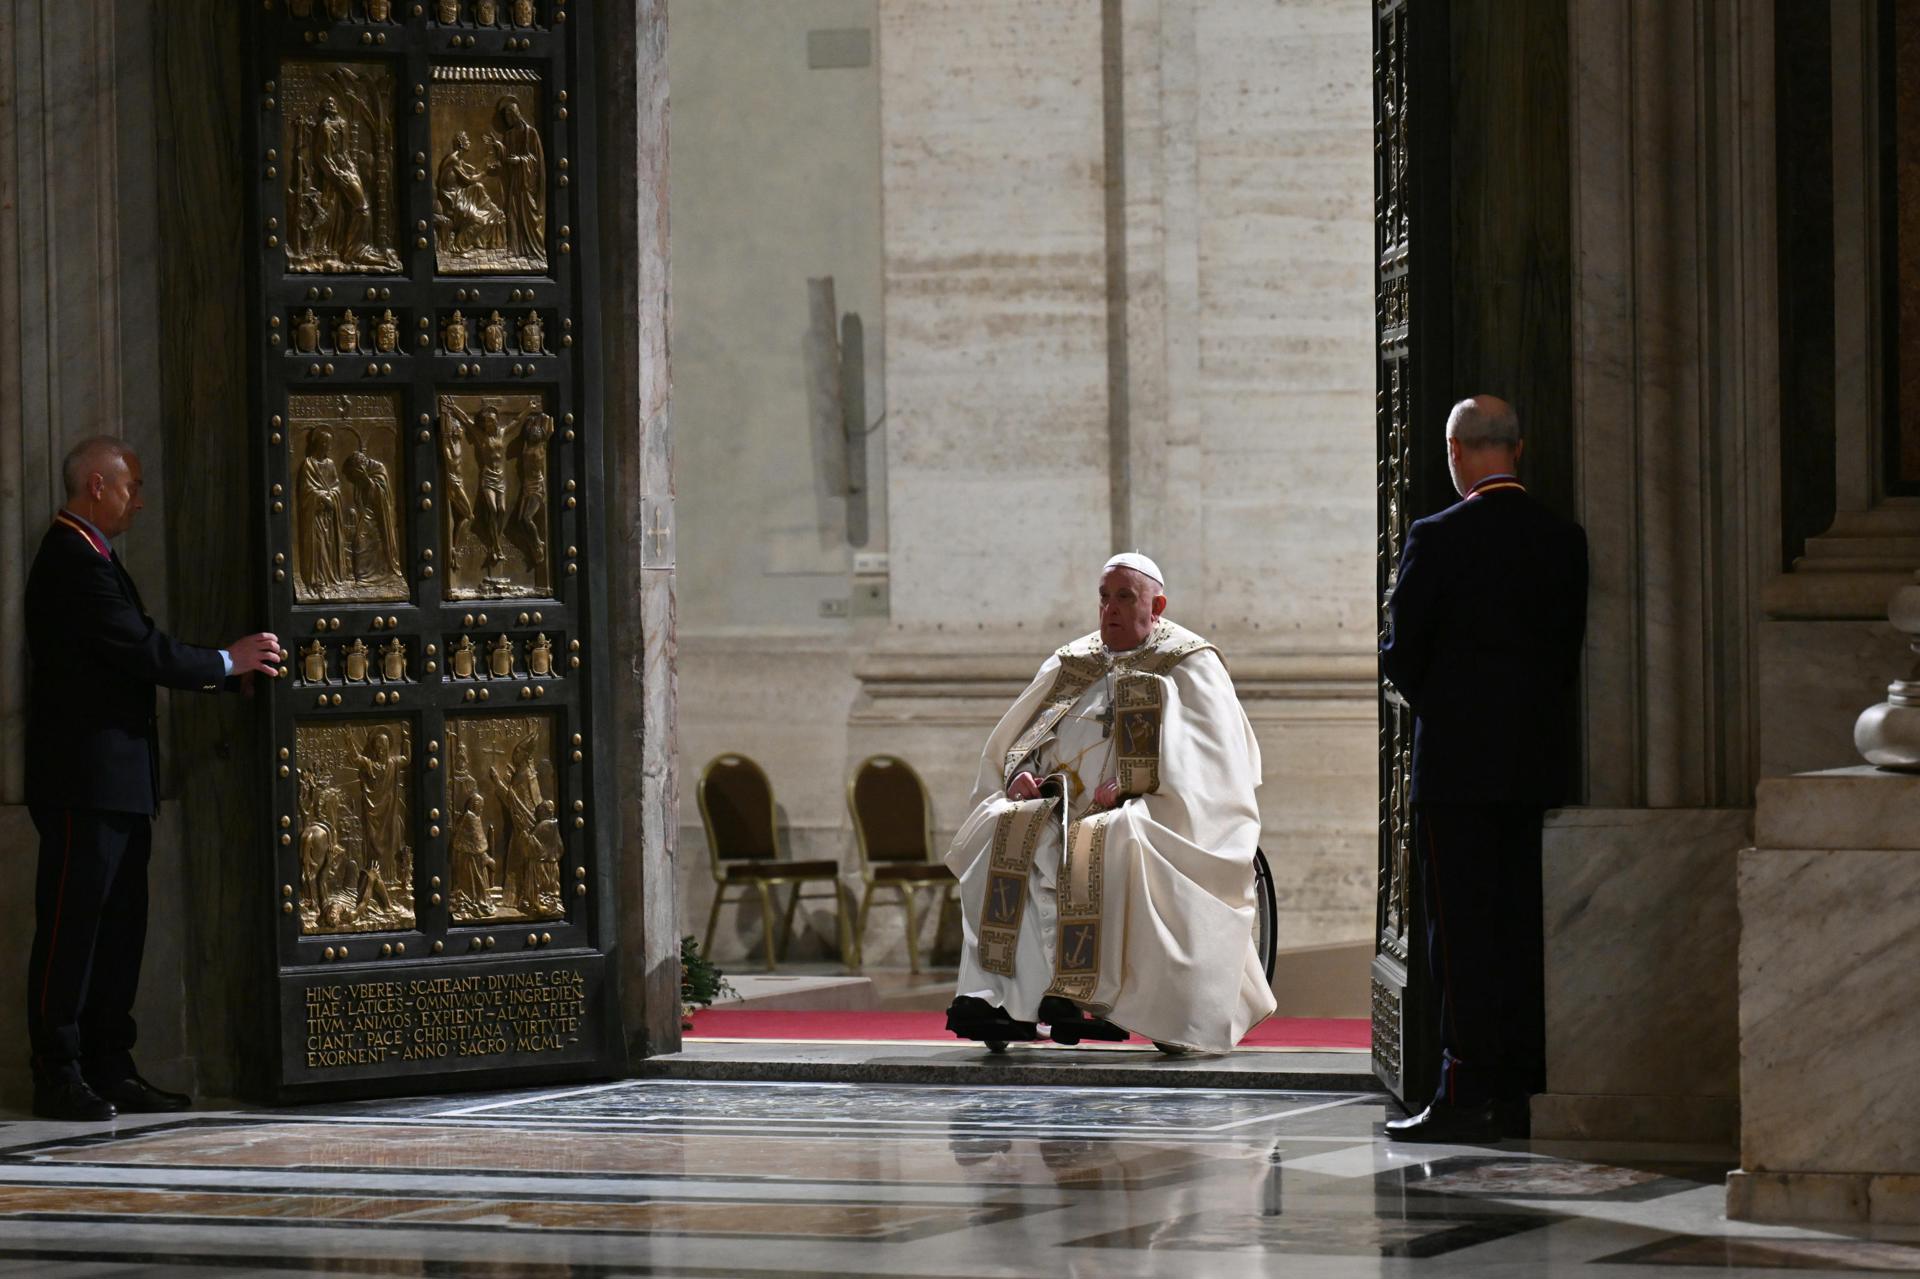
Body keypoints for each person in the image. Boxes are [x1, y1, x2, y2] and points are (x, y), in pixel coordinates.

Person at [24, 436, 282, 1121]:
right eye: (133, 485)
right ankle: (58, 1070)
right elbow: (139, 650)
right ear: (98, 487)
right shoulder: (69, 559)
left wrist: (230, 677)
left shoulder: (95, 556)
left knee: (120, 930)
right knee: (72, 929)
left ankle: (111, 1063)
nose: (140, 499)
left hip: (118, 780)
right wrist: (225, 663)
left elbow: (129, 659)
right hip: (84, 782)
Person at [943, 554, 1274, 1054]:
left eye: (1125, 597)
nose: (1110, 609)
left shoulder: (1188, 661)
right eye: (1104, 596)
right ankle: (1000, 1001)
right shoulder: (1074, 661)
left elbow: (1216, 764)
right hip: (1057, 807)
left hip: (1152, 809)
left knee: (1109, 838)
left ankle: (1084, 995)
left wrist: (1137, 784)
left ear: (1156, 605)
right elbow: (1020, 738)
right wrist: (1019, 775)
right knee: (1002, 826)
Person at [1380, 396, 1589, 1143]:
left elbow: (1401, 654)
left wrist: (1455, 709)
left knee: (1463, 934)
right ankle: (1526, 1086)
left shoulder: (1437, 537)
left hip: (1459, 772)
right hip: (1536, 764)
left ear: (1455, 452)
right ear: (1518, 448)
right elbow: (1567, 655)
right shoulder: (1564, 540)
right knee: (1526, 925)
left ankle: (1467, 1089)